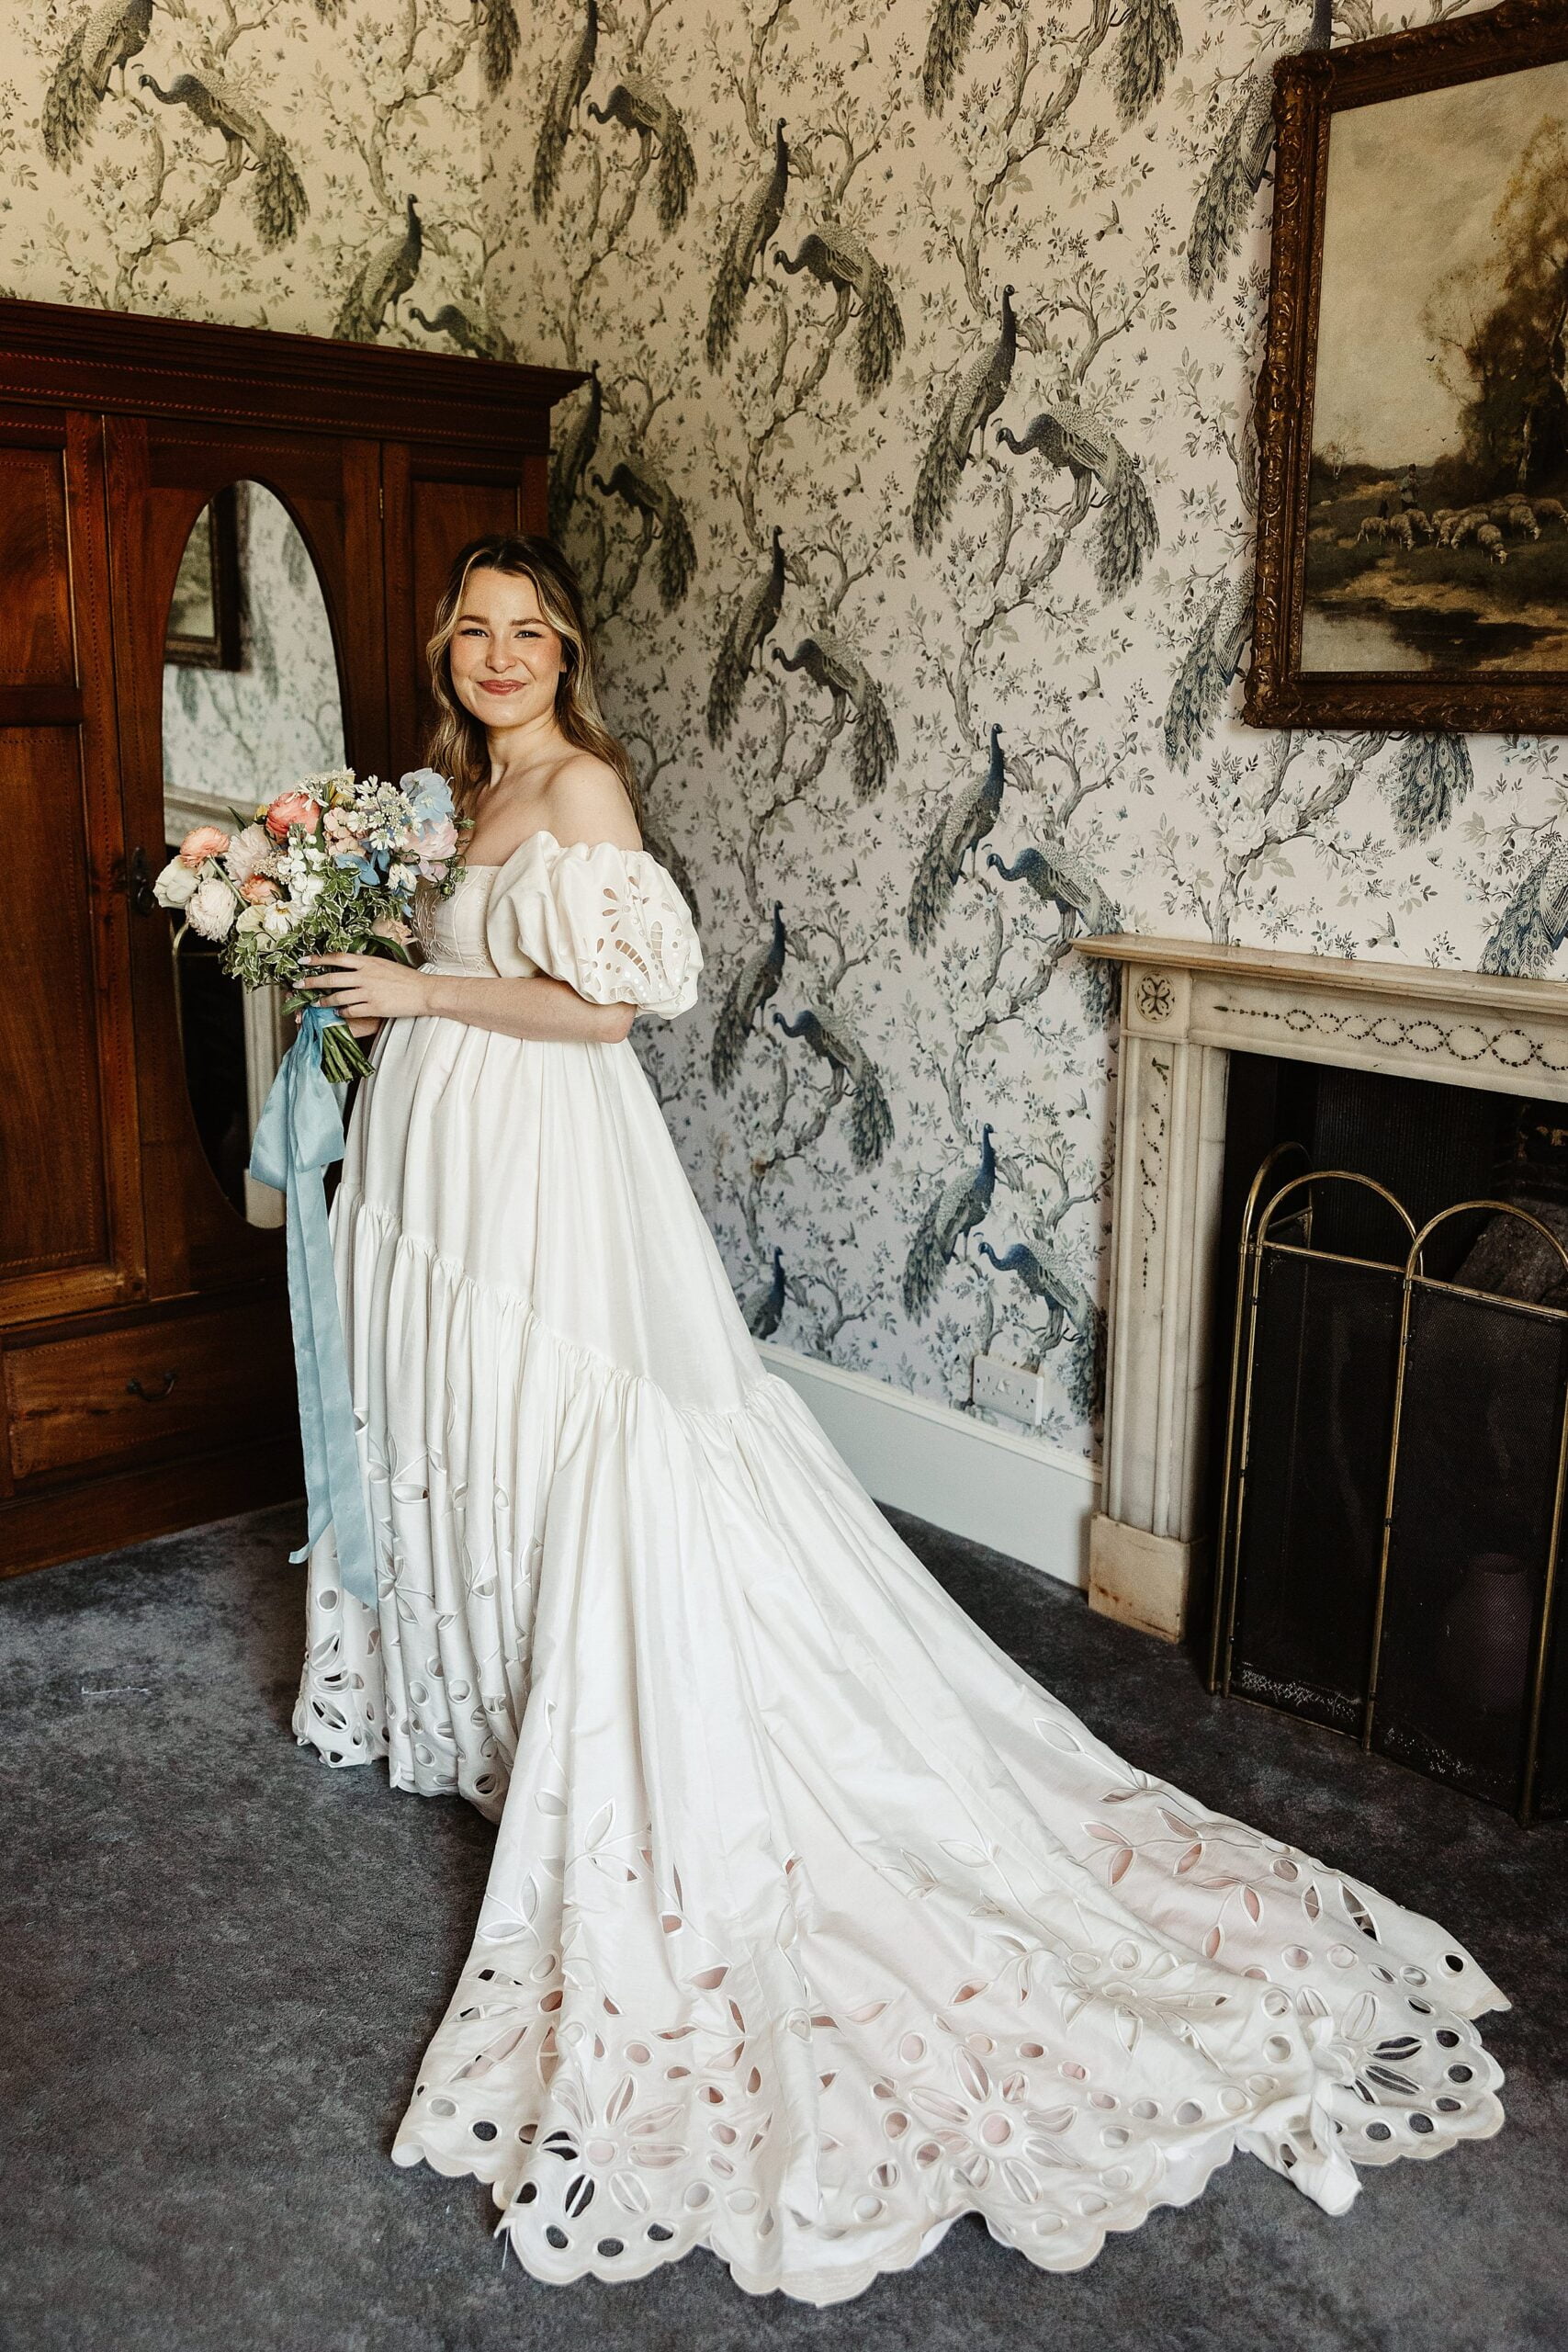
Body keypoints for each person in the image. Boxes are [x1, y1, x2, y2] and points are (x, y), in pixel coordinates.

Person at [292, 534, 1505, 2305]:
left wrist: (415, 990)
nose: (495, 655)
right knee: (479, 1425)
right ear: (446, 649)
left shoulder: (587, 795)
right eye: (469, 629)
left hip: (546, 1168)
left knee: (570, 1429)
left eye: (525, 631)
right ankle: (497, 1705)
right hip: (459, 1158)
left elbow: (614, 1008)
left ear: (568, 651)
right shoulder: (471, 792)